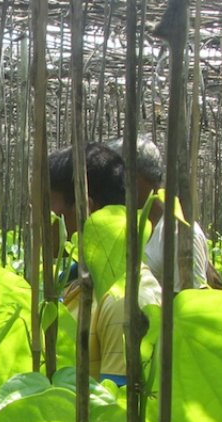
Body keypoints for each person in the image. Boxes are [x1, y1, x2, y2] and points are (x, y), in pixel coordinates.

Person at [48, 143, 162, 385]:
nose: (34, 218)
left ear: (84, 207)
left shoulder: (124, 302)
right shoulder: (70, 282)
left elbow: (114, 413)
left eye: (45, 205)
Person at [106, 136, 216, 290]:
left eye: (115, 177)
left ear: (137, 177)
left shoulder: (179, 235)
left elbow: (191, 305)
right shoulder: (123, 229)